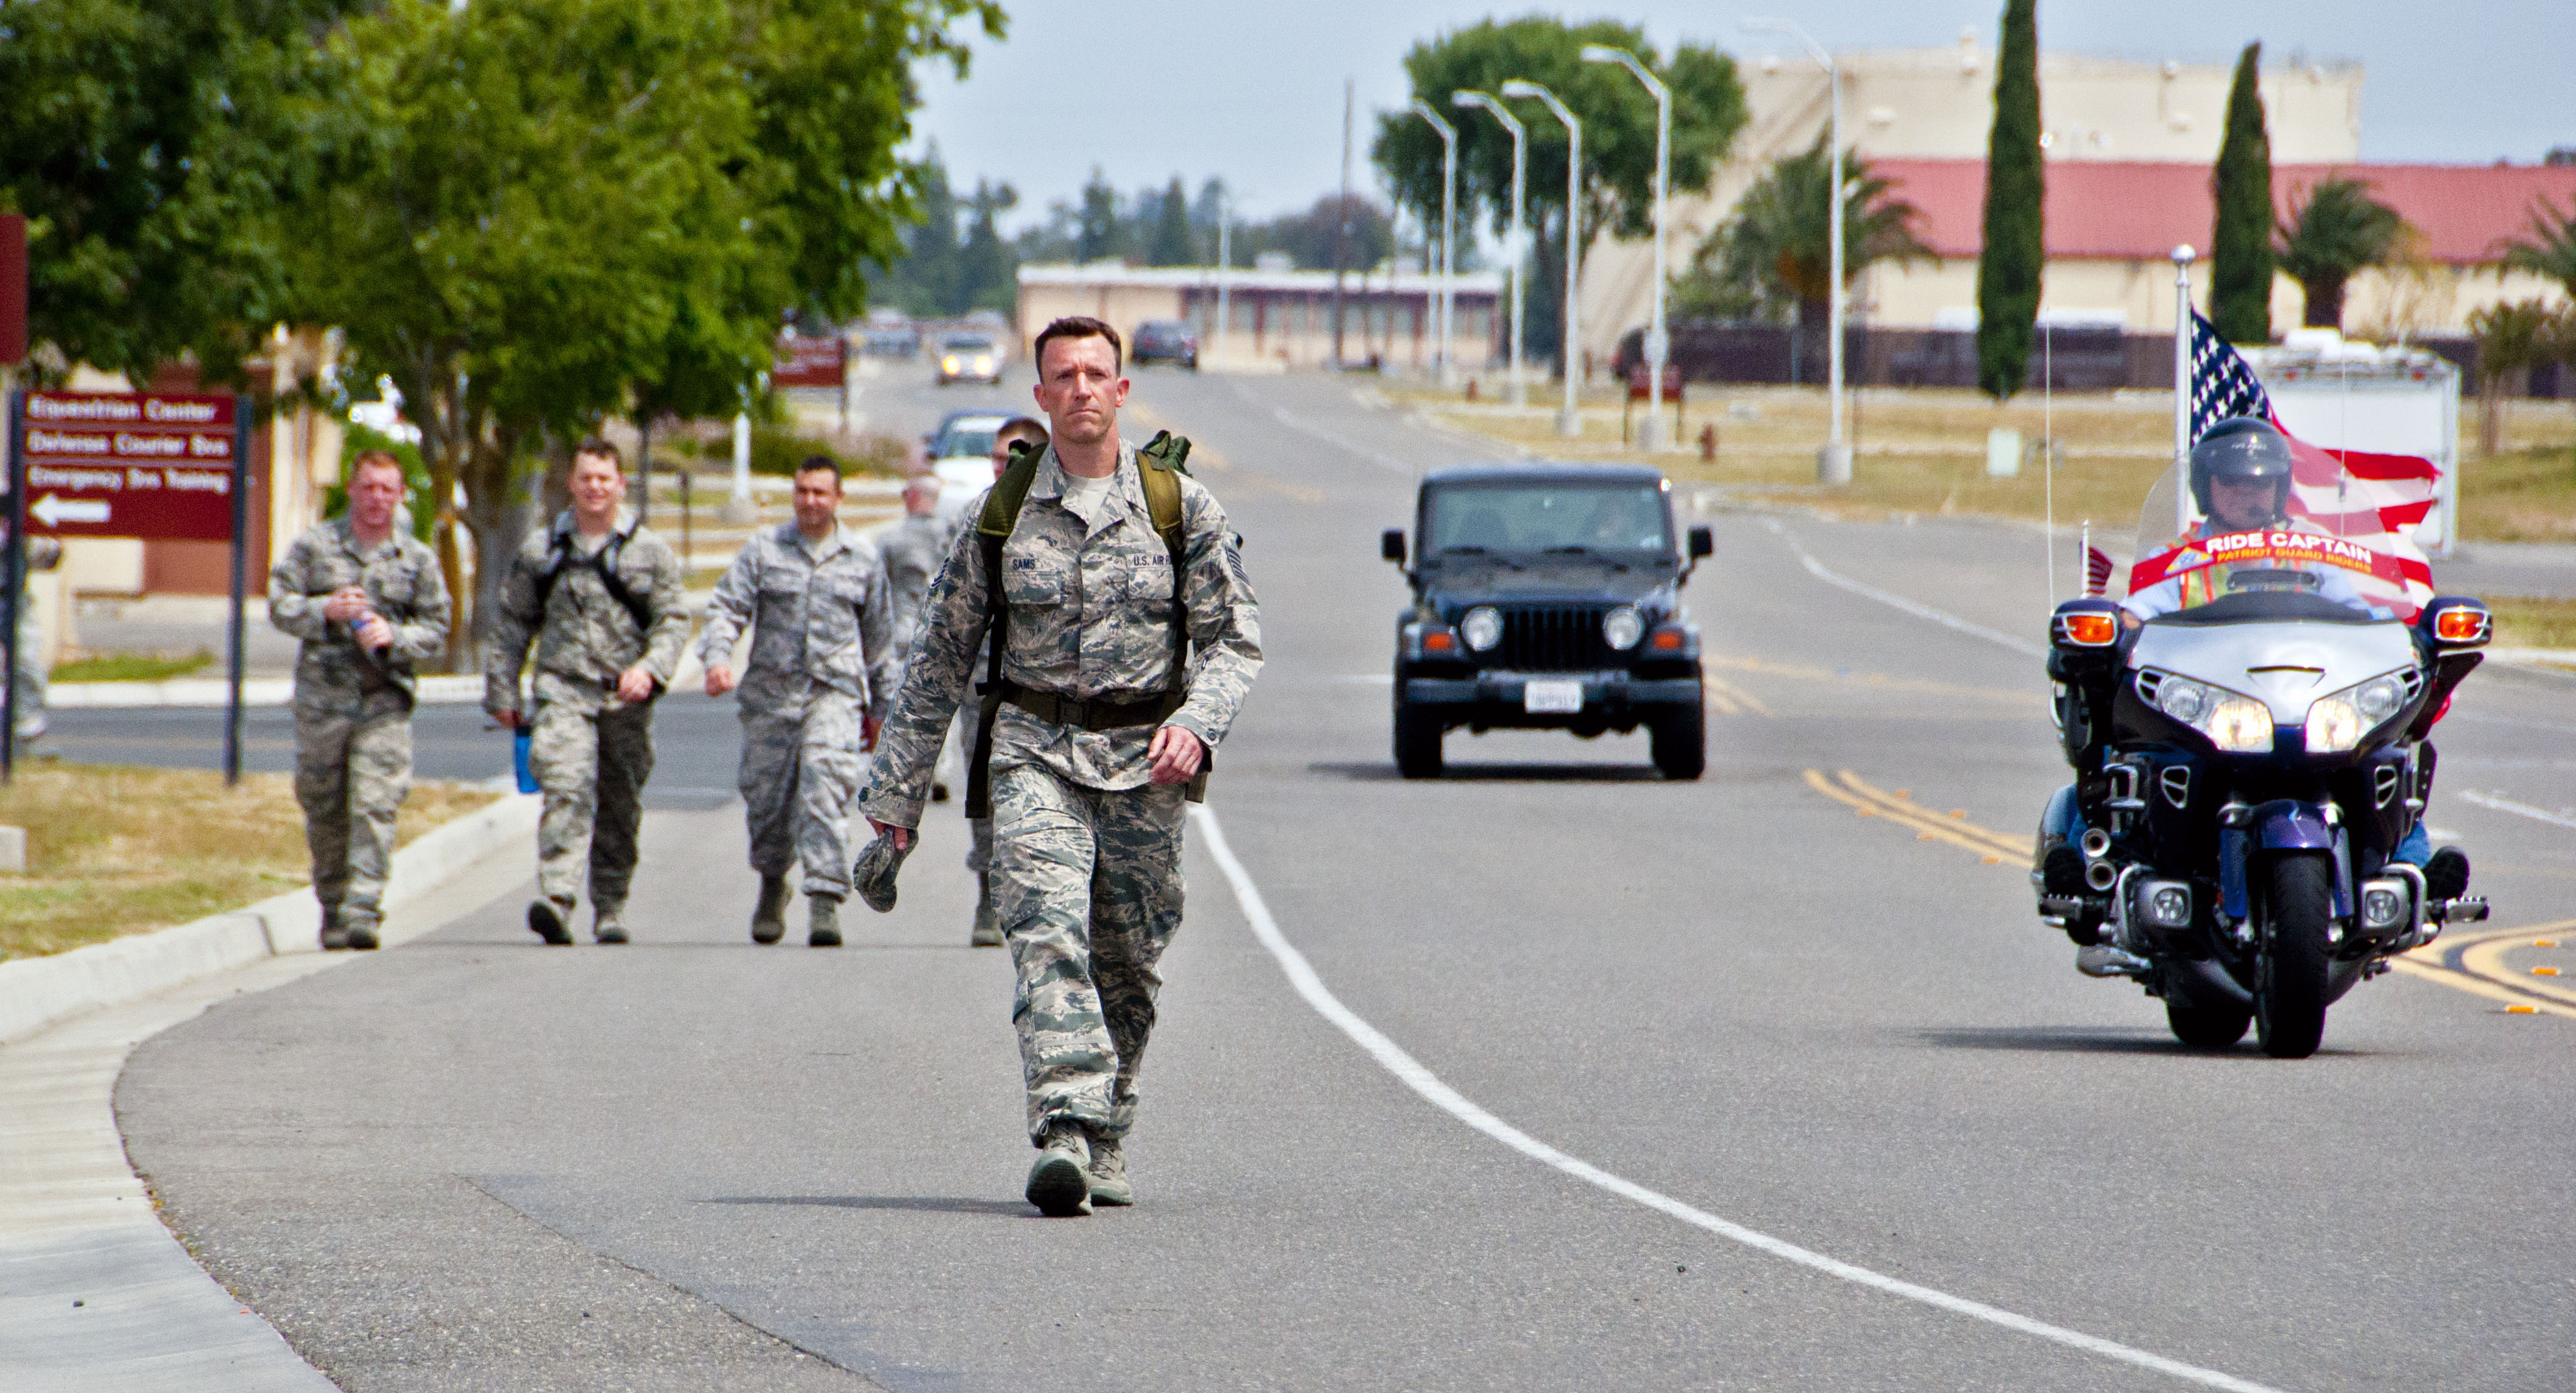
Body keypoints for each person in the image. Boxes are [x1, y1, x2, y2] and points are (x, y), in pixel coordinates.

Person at [860, 318, 1261, 1216]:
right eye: (1062, 376)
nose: (1081, 388)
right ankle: (1066, 1128)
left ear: (1122, 392)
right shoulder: (997, 516)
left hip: (1144, 765)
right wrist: (897, 800)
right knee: (1046, 931)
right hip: (1032, 755)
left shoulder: (1179, 507)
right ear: (1039, 399)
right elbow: (937, 661)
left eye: (1096, 374)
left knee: (1130, 961)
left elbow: (1236, 641)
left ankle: (1109, 1126)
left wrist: (1198, 724)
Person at [484, 438, 688, 946]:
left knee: (620, 804)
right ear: (572, 484)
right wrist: (503, 691)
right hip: (563, 690)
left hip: (626, 698)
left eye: (605, 478)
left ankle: (611, 905)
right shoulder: (543, 550)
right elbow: (513, 625)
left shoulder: (650, 551)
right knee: (567, 789)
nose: (595, 487)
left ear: (620, 484)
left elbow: (672, 621)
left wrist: (650, 669)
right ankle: (556, 897)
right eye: (586, 477)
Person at [697, 456, 898, 947]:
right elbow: (728, 606)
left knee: (824, 789)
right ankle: (771, 882)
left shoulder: (862, 557)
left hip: (834, 695)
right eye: (803, 491)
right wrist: (718, 657)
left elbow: (880, 643)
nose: (811, 501)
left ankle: (825, 898)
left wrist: (882, 713)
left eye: (820, 492)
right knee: (766, 802)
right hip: (770, 699)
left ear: (838, 498)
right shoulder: (765, 550)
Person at [267, 450, 452, 950]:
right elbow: (279, 604)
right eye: (369, 487)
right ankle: (333, 904)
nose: (377, 498)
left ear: (400, 495)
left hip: (383, 698)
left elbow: (437, 628)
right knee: (324, 805)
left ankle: (363, 909)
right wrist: (323, 608)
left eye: (387, 489)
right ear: (351, 489)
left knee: (375, 803)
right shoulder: (314, 546)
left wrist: (394, 636)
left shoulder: (416, 559)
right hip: (323, 701)